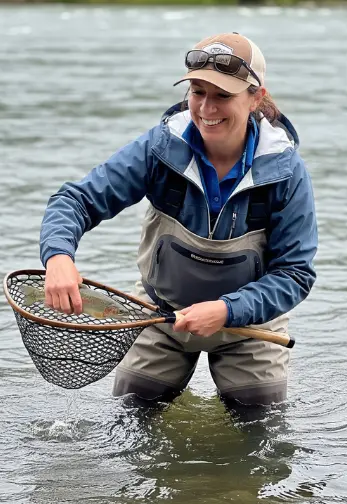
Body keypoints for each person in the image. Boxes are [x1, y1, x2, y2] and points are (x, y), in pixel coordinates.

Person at [40, 33, 318, 407]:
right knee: (130, 424)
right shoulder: (160, 148)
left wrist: (227, 310)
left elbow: (294, 275)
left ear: (256, 97)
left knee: (259, 440)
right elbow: (76, 200)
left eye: (223, 95)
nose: (206, 107)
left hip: (249, 327)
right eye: (197, 91)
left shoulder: (285, 171)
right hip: (160, 317)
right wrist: (58, 257)